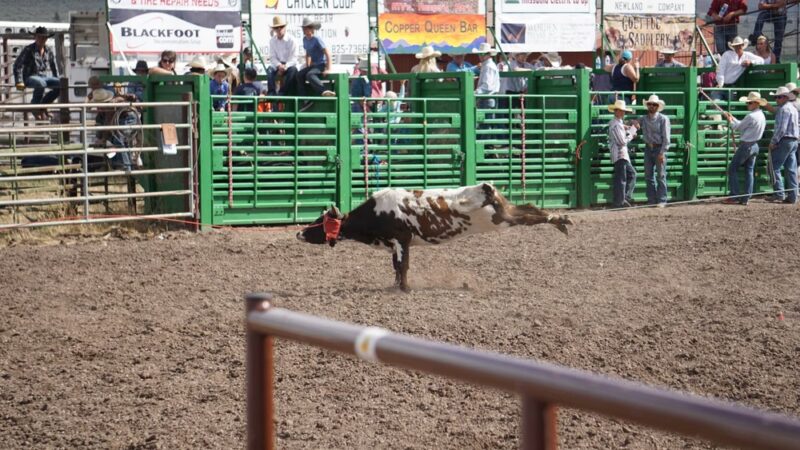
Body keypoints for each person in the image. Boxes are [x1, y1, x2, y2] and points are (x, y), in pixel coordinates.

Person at [722, 92, 767, 205]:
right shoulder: (761, 115)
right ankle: (746, 197)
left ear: (756, 103)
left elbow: (737, 127)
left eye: (749, 102)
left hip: (746, 146)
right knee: (749, 171)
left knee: (732, 169)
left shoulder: (751, 116)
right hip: (755, 145)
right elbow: (742, 125)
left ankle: (734, 196)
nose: (748, 104)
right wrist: (732, 118)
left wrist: (729, 120)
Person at [13, 26, 60, 116]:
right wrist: (19, 82)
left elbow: (53, 66)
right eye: (39, 37)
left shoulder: (48, 50)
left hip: (43, 77)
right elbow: (17, 65)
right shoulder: (28, 49)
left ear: (46, 39)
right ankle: (34, 107)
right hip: (29, 77)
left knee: (60, 84)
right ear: (35, 37)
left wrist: (56, 77)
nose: (42, 39)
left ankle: (43, 105)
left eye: (44, 37)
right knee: (41, 83)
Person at [633, 95, 671, 207]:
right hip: (648, 148)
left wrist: (662, 152)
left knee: (661, 175)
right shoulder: (643, 118)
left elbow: (666, 138)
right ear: (647, 105)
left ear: (658, 106)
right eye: (650, 104)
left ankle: (662, 200)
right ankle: (652, 200)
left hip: (659, 148)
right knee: (649, 175)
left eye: (654, 104)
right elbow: (634, 122)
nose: (652, 106)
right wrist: (634, 122)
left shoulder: (663, 119)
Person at [767, 86, 799, 204]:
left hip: (784, 140)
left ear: (785, 97)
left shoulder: (783, 109)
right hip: (793, 140)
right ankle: (793, 195)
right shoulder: (793, 108)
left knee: (774, 167)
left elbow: (781, 129)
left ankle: (779, 194)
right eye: (776, 97)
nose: (777, 99)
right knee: (791, 169)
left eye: (778, 97)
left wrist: (773, 142)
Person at [297, 17, 335, 110]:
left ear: (312, 29)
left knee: (310, 75)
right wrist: (308, 65)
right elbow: (308, 54)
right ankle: (305, 99)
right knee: (299, 75)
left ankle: (324, 91)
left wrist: (329, 69)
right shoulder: (304, 39)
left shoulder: (317, 39)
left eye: (308, 28)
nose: (305, 30)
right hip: (313, 65)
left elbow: (327, 53)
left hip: (321, 64)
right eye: (304, 28)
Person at [607, 100, 638, 208]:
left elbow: (621, 130)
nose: (622, 113)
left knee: (626, 176)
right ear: (616, 111)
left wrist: (628, 129)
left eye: (623, 111)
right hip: (620, 155)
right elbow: (622, 142)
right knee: (624, 178)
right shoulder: (616, 124)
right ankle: (621, 201)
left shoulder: (616, 123)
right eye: (621, 111)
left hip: (621, 155)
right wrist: (631, 135)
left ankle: (622, 200)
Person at [473, 43, 500, 146]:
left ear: (488, 54)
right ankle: (486, 147)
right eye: (480, 54)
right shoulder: (488, 65)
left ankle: (485, 146)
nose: (480, 56)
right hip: (488, 98)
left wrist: (475, 93)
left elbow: (487, 86)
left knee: (485, 123)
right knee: (486, 122)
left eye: (482, 54)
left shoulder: (488, 66)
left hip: (487, 98)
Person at [267, 16, 299, 96]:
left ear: (285, 27)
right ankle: (271, 92)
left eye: (281, 27)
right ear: (274, 29)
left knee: (293, 70)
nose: (279, 29)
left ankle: (282, 92)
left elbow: (294, 58)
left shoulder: (292, 40)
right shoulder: (272, 41)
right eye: (276, 27)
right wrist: (279, 66)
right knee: (269, 70)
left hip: (289, 65)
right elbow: (272, 57)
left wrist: (285, 66)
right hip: (278, 64)